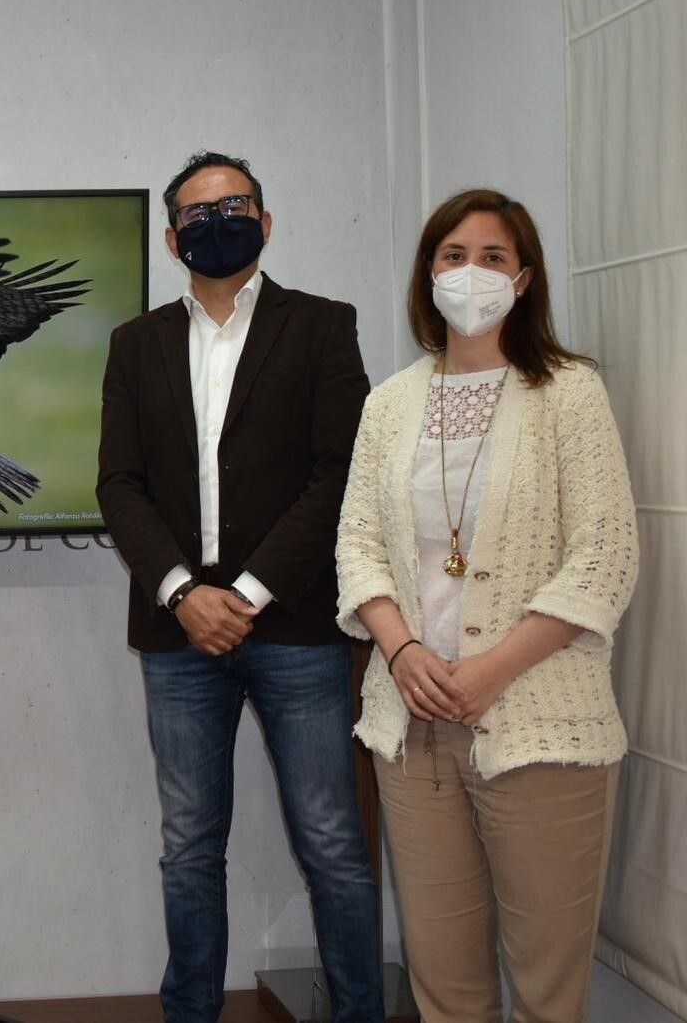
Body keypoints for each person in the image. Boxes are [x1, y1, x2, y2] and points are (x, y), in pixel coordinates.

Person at [336, 189, 638, 1021]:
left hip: (540, 725)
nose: (471, 273)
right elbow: (357, 545)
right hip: (412, 722)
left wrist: (491, 671)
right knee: (444, 985)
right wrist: (402, 652)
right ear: (427, 275)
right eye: (452, 256)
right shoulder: (391, 403)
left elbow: (606, 556)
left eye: (493, 257)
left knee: (546, 988)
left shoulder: (567, 392)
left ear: (526, 277)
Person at [98, 151, 383, 1022]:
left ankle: (360, 1011)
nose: (216, 221)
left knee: (332, 844)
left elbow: (341, 474)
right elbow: (119, 484)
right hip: (178, 637)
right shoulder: (136, 342)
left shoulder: (324, 327)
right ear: (173, 233)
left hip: (296, 626)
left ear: (265, 220)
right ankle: (190, 1012)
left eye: (235, 204)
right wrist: (184, 592)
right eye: (196, 210)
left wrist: (249, 591)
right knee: (188, 847)